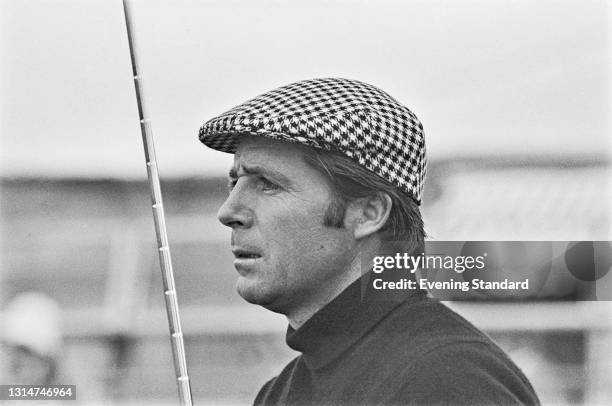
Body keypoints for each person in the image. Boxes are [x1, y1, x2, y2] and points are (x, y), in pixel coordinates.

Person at [198, 78, 540, 405]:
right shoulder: (281, 393)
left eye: (267, 184)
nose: (229, 211)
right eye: (234, 183)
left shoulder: (451, 380)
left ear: (367, 213)